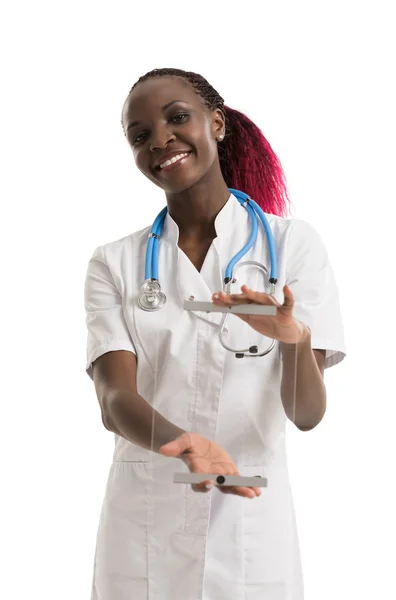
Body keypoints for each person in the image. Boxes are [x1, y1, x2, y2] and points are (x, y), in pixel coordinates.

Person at [84, 67, 346, 600]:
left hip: (252, 528)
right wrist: (184, 446)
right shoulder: (114, 262)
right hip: (145, 527)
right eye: (140, 136)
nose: (160, 140)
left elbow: (307, 414)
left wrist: (293, 340)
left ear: (217, 123)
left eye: (177, 118)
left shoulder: (292, 245)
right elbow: (114, 400)